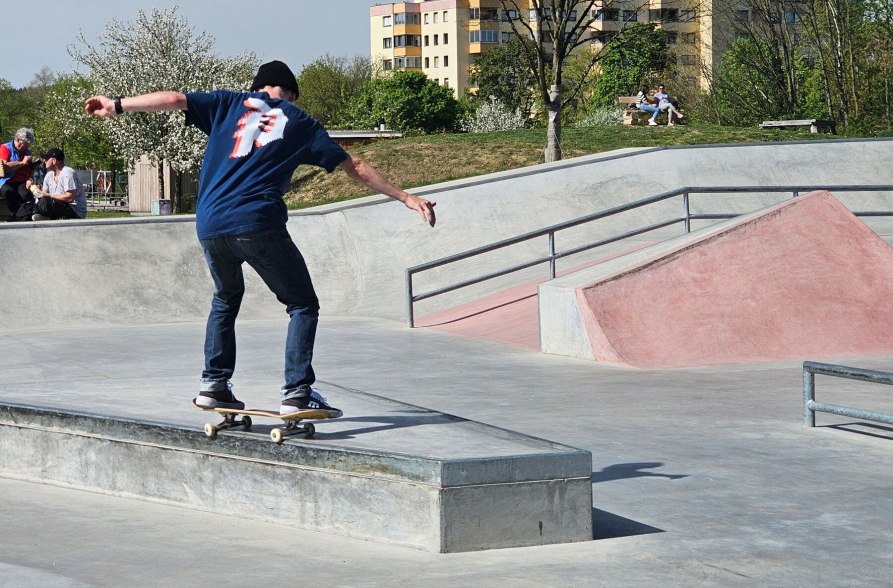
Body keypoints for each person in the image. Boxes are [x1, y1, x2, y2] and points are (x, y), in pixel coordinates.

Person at [85, 60, 436, 417]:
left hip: (210, 224)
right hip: (257, 222)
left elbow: (175, 99)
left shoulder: (227, 102)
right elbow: (355, 167)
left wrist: (116, 105)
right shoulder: (301, 122)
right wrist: (407, 197)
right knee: (302, 304)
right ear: (291, 94)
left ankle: (214, 385)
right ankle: (297, 393)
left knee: (225, 297)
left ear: (256, 88)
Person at [30, 148, 88, 221]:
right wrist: (36, 190)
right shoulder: (49, 175)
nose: (45, 161)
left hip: (74, 210)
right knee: (32, 204)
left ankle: (46, 217)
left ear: (54, 160)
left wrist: (48, 195)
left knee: (45, 202)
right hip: (58, 205)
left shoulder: (68, 173)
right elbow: (44, 195)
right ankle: (40, 216)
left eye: (47, 158)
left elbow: (70, 198)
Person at [0, 128, 37, 220]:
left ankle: (21, 217)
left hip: (22, 181)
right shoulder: (5, 148)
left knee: (26, 194)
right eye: (26, 144)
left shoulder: (26, 152)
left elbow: (29, 169)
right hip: (6, 181)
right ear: (19, 140)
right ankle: (18, 216)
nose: (27, 147)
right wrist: (22, 162)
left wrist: (29, 178)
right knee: (9, 192)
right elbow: (4, 167)